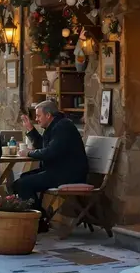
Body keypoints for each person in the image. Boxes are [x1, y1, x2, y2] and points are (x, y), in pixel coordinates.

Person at [13, 99, 88, 232]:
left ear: (48, 115)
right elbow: (45, 147)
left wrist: (29, 153)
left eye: (38, 116)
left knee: (23, 184)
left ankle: (39, 221)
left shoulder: (63, 127)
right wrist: (31, 129)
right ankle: (40, 217)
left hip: (68, 174)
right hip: (59, 171)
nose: (37, 119)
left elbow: (49, 152)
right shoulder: (55, 126)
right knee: (21, 181)